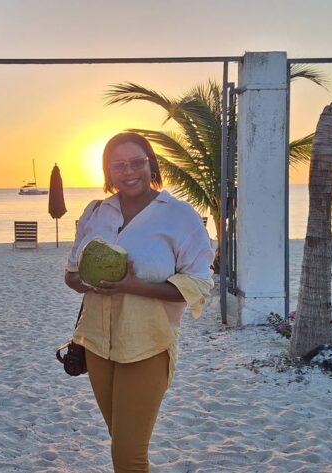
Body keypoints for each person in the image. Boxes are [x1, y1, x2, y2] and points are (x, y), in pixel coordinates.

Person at [63, 132, 214, 472]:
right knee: (121, 442)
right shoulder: (96, 213)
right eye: (118, 165)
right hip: (96, 343)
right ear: (108, 171)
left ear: (151, 164)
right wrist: (89, 282)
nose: (128, 171)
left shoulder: (179, 216)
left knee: (128, 454)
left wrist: (133, 286)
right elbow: (71, 276)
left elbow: (199, 284)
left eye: (136, 162)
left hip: (147, 344)